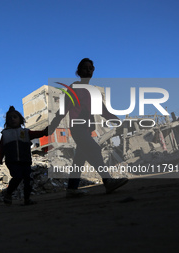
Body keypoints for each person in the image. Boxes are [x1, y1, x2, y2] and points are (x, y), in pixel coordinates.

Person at [49, 58, 128, 197]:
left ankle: (71, 190)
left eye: (91, 68)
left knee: (79, 159)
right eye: (85, 68)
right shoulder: (73, 88)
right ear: (78, 71)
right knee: (94, 149)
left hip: (86, 130)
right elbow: (62, 109)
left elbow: (103, 111)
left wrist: (118, 121)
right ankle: (107, 181)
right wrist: (52, 126)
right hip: (77, 129)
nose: (88, 70)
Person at [0, 106, 48, 205]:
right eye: (10, 118)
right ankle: (8, 193)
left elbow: (37, 134)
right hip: (12, 161)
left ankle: (27, 199)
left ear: (20, 119)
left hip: (25, 160)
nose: (12, 119)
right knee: (17, 177)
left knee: (28, 180)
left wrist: (45, 132)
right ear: (7, 121)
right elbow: (1, 149)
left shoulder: (25, 132)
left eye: (15, 117)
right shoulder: (5, 134)